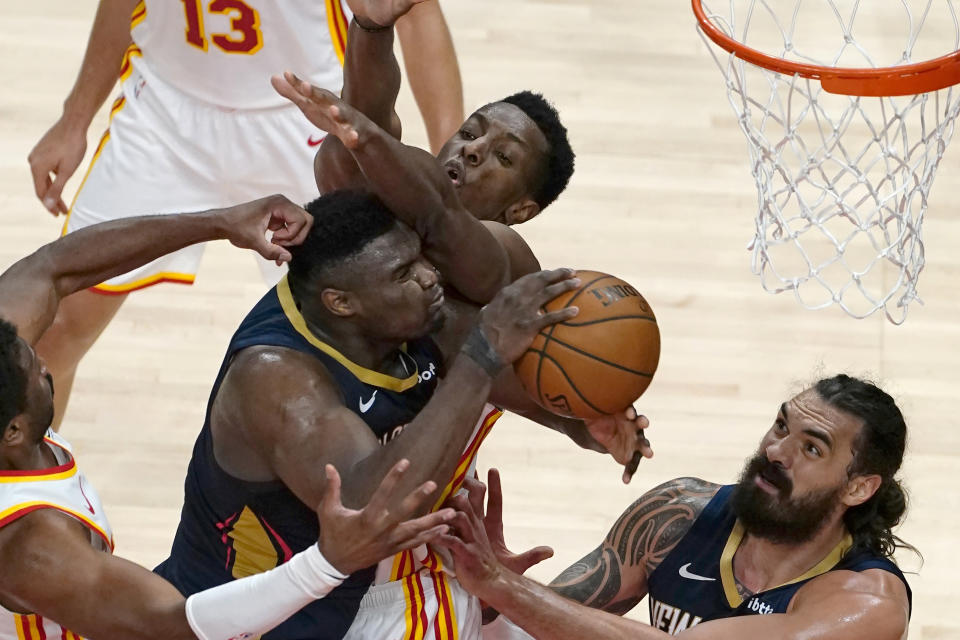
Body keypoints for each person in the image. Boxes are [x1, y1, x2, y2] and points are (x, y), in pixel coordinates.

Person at [154, 189, 650, 640]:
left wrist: (583, 423)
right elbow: (373, 514)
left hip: (348, 601)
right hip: (248, 620)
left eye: (418, 258)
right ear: (341, 302)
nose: (430, 276)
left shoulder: (402, 314)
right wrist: (481, 356)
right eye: (404, 274)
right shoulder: (278, 384)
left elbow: (509, 378)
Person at [0, 196, 455, 639]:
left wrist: (220, 222)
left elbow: (54, 267)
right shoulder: (33, 544)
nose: (44, 363)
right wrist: (326, 564)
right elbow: (174, 626)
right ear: (14, 430)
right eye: (36, 373)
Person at [28, 0, 464, 430]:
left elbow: (415, 12)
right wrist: (74, 118)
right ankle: (30, 487)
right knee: (55, 328)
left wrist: (450, 165)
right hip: (164, 114)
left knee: (360, 342)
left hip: (304, 116)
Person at [441, 375, 914, 640]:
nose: (776, 451)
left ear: (858, 488)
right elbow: (553, 621)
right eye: (780, 426)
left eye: (811, 449)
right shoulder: (679, 514)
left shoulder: (867, 605)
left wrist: (505, 590)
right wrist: (489, 601)